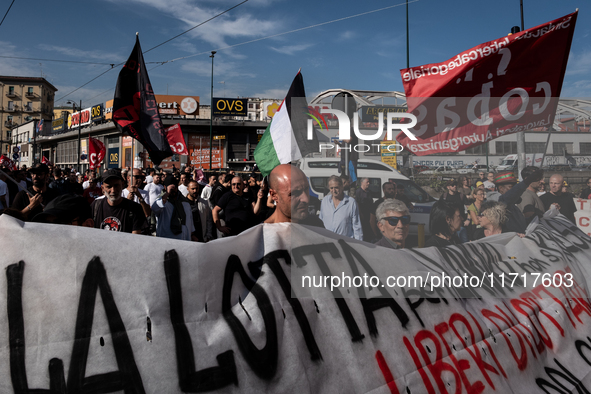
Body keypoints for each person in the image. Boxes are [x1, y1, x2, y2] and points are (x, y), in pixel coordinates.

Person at [91, 169, 147, 234]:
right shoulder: (95, 206)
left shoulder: (134, 208)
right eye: (109, 187)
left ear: (122, 185)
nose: (113, 190)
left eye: (116, 185)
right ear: (103, 188)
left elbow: (135, 238)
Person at [319, 175, 363, 240]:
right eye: (331, 188)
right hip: (327, 242)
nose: (334, 190)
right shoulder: (325, 201)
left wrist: (359, 245)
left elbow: (356, 226)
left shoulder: (351, 202)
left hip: (345, 244)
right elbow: (320, 222)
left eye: (336, 187)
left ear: (342, 187)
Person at [355, 178, 374, 242]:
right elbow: (357, 204)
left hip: (369, 215)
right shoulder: (358, 192)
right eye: (367, 182)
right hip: (362, 215)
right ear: (362, 183)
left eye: (369, 182)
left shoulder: (369, 192)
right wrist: (360, 214)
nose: (368, 184)